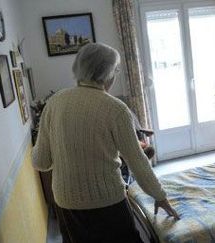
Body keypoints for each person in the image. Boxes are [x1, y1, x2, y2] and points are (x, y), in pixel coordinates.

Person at [32, 43, 179, 243]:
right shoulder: (115, 109)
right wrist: (160, 196)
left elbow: (40, 162)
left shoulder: (54, 103)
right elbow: (137, 162)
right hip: (106, 202)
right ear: (108, 73)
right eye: (116, 70)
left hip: (66, 203)